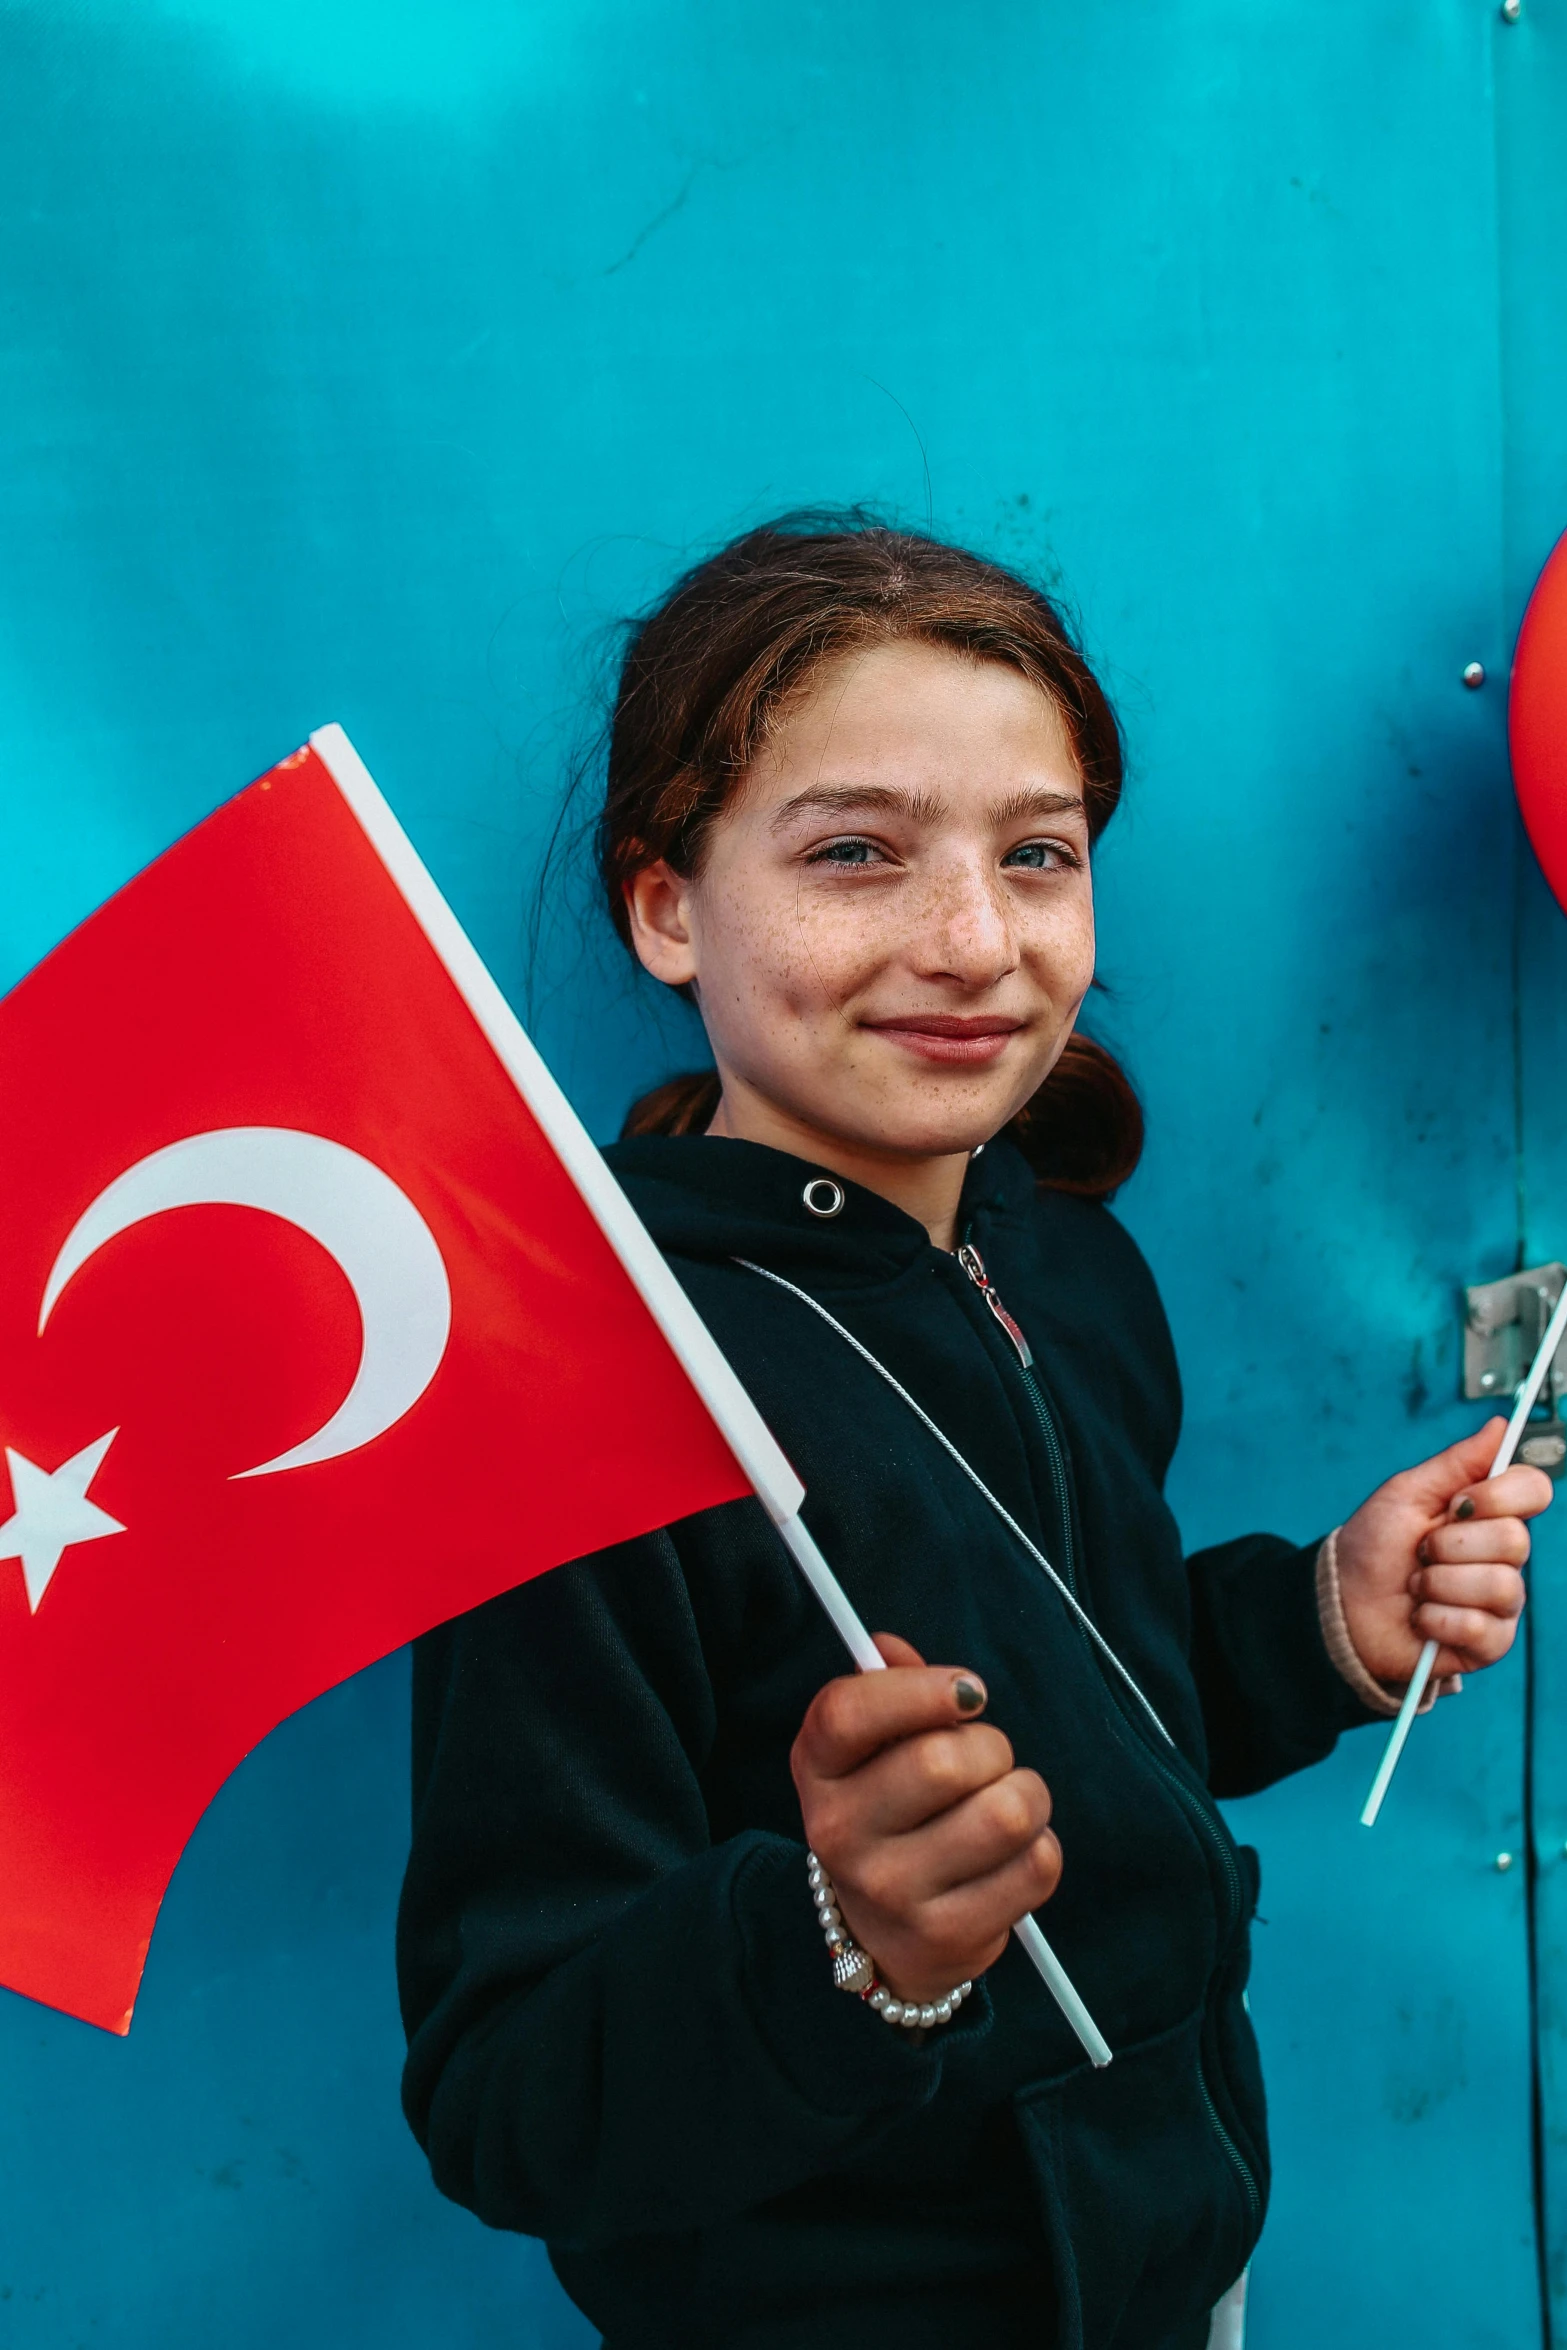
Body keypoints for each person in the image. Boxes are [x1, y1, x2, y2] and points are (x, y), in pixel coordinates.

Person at [396, 517, 1548, 2350]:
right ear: (666, 902)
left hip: (1176, 2264)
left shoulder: (1065, 1264)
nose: (971, 940)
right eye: (855, 852)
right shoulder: (591, 1399)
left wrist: (1318, 1623)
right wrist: (841, 1946)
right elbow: (505, 2089)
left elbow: (1100, 1702)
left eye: (1036, 855)